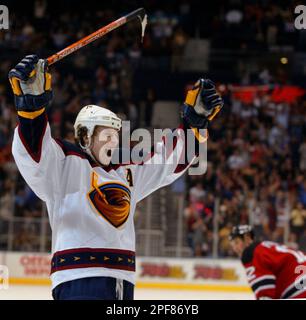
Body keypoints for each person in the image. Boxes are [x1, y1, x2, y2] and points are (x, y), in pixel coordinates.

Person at [9, 54, 223, 300]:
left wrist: (194, 125)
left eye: (116, 134)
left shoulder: (126, 173)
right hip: (79, 279)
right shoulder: (64, 163)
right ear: (85, 136)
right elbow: (34, 157)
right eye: (106, 134)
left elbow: (168, 161)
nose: (113, 140)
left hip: (123, 280)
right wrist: (32, 112)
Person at [229, 225, 306, 299]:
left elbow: (265, 294)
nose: (235, 248)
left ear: (247, 239)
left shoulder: (252, 253)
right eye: (232, 245)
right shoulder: (265, 246)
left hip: (299, 288)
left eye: (236, 242)